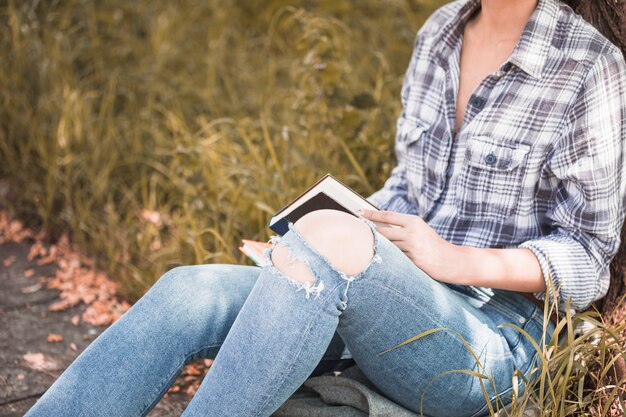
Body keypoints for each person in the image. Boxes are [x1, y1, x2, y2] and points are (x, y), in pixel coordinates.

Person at [25, 0, 626, 416]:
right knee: (188, 290)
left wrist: (452, 260)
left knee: (329, 243)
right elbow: (412, 188)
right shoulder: (440, 33)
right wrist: (319, 244)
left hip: (493, 338)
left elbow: (590, 258)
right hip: (399, 293)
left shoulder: (589, 67)